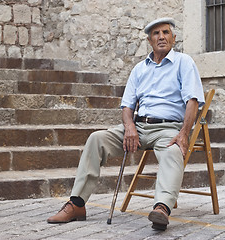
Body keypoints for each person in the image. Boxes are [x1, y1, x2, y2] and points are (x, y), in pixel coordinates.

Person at [47, 17, 205, 231]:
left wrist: (184, 134)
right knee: (97, 139)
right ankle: (77, 204)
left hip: (167, 128)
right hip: (138, 127)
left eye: (165, 32)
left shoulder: (184, 63)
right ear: (149, 41)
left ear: (173, 38)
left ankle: (161, 208)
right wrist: (129, 127)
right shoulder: (140, 69)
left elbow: (192, 101)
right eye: (156, 34)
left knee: (173, 152)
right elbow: (127, 106)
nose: (161, 37)